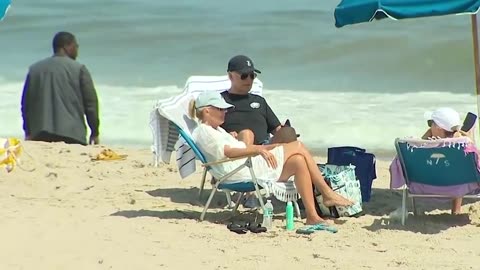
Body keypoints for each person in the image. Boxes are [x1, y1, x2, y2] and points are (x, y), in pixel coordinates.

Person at [189, 91, 353, 225]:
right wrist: (259, 150)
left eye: (225, 109)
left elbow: (234, 149)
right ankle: (326, 192)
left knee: (298, 161)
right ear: (207, 110)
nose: (225, 112)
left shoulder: (216, 130)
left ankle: (312, 216)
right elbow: (228, 153)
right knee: (298, 146)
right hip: (240, 170)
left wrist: (265, 148)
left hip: (246, 165)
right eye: (220, 109)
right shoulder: (204, 130)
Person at [21, 31, 100, 146]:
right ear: (66, 46)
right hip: (73, 135)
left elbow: (26, 105)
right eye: (75, 46)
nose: (77, 49)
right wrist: (94, 132)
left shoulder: (35, 70)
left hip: (40, 135)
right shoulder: (79, 69)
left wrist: (28, 131)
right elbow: (91, 104)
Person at [220, 55, 297, 145]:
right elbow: (209, 131)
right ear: (230, 76)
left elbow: (276, 129)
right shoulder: (219, 101)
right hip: (238, 149)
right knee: (247, 134)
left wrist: (284, 130)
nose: (249, 79)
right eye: (244, 76)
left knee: (289, 132)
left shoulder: (260, 101)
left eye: (252, 75)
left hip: (266, 148)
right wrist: (225, 136)